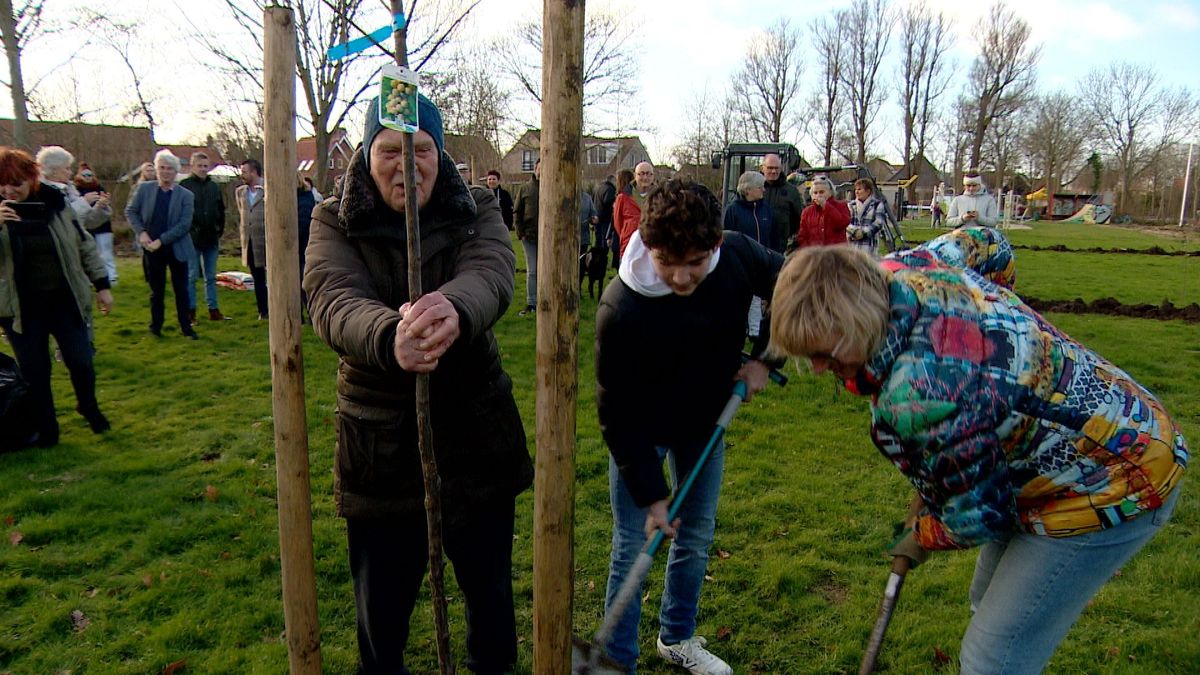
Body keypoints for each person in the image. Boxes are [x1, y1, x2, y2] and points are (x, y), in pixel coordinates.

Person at [769, 233, 1187, 675]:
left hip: (1114, 478)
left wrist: (925, 533)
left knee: (993, 659)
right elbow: (988, 243)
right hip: (1052, 453)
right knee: (986, 605)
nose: (817, 368)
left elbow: (981, 514)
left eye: (821, 353)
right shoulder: (898, 271)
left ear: (856, 319)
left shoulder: (925, 393)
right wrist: (1002, 313)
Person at [303, 92, 532, 675]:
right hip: (379, 445)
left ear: (440, 152)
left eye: (422, 149)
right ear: (365, 153)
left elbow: (492, 272)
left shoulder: (475, 206)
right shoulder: (335, 218)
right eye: (389, 151)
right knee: (381, 621)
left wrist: (453, 308)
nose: (407, 164)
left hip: (475, 432)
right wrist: (389, 336)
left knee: (490, 605)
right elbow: (332, 295)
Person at [596, 179, 784, 674]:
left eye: (694, 264)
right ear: (647, 246)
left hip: (705, 421)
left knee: (695, 535)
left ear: (715, 245)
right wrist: (651, 494)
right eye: (667, 263)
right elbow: (615, 412)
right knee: (632, 541)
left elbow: (793, 287)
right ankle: (616, 662)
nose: (680, 278)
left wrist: (766, 357)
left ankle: (676, 637)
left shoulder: (739, 256)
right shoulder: (621, 307)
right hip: (642, 425)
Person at [0, 147, 114, 444]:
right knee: (36, 372)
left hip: (64, 300)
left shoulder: (57, 202)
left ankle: (87, 406)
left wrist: (101, 284)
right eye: (2, 184)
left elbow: (84, 243)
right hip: (20, 309)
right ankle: (47, 430)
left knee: (81, 362)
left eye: (16, 183)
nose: (9, 190)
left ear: (32, 177)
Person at [126, 150, 198, 340]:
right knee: (156, 291)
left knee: (181, 290)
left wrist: (162, 240)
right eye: (162, 168)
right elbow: (131, 211)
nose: (166, 172)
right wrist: (141, 232)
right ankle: (155, 327)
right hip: (151, 248)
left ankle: (186, 327)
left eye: (170, 169)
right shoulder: (144, 189)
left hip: (176, 248)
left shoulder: (186, 196)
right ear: (156, 170)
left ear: (176, 172)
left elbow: (184, 225)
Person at [179, 151, 228, 322]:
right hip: (191, 239)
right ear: (192, 166)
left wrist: (218, 230)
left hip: (211, 238)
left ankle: (213, 309)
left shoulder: (214, 187)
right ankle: (190, 311)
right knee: (191, 276)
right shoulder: (184, 186)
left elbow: (221, 210)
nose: (202, 169)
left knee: (211, 276)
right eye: (199, 166)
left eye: (205, 166)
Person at [36, 147, 111, 240]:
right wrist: (84, 202)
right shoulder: (40, 191)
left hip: (75, 242)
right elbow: (63, 219)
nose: (70, 173)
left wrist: (99, 206)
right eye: (67, 168)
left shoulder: (70, 190)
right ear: (54, 170)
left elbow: (86, 222)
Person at [236, 158, 268, 320]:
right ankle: (263, 311)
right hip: (250, 243)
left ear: (254, 172)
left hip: (266, 242)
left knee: (272, 277)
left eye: (244, 171)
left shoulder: (267, 189)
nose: (242, 175)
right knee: (257, 278)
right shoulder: (241, 192)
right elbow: (243, 212)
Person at [73, 163, 117, 285]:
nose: (87, 177)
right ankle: (89, 280)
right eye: (84, 175)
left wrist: (102, 205)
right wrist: (85, 201)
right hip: (83, 227)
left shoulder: (99, 188)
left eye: (90, 174)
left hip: (102, 226)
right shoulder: (74, 190)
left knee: (106, 253)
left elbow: (103, 211)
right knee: (87, 254)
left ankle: (111, 277)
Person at [722, 170, 776, 252]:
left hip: (765, 261)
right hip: (741, 261)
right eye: (759, 187)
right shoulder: (733, 210)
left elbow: (774, 239)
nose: (764, 190)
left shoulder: (767, 210)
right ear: (748, 190)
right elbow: (726, 239)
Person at [512, 159, 540, 317]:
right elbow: (517, 212)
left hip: (549, 238)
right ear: (535, 169)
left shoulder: (552, 188)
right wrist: (520, 232)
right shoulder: (525, 189)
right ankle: (532, 302)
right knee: (533, 270)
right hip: (529, 236)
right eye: (540, 167)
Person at [760, 153, 804, 250]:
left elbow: (799, 218)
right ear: (762, 168)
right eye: (770, 168)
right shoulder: (755, 188)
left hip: (782, 246)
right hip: (758, 245)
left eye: (777, 168)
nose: (774, 171)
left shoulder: (791, 191)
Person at [795, 175, 850, 249]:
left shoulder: (841, 206)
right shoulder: (807, 212)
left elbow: (842, 223)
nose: (818, 195)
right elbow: (802, 236)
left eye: (821, 192)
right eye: (815, 193)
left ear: (830, 192)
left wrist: (826, 205)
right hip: (815, 255)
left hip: (836, 254)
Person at [612, 161, 654, 257]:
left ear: (653, 176)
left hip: (652, 248)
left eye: (649, 174)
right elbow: (618, 223)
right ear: (635, 175)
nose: (645, 177)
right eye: (642, 174)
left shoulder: (659, 197)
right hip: (629, 248)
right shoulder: (623, 197)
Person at [847, 177, 889, 256]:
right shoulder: (851, 205)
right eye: (856, 189)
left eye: (859, 189)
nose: (857, 192)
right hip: (852, 247)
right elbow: (846, 222)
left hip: (869, 247)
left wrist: (863, 233)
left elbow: (879, 223)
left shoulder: (877, 205)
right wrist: (855, 232)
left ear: (868, 191)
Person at [594, 173, 617, 267]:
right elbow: (608, 204)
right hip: (605, 219)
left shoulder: (599, 187)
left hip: (597, 218)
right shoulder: (610, 190)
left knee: (598, 241)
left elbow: (593, 200)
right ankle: (602, 263)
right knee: (604, 243)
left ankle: (596, 261)